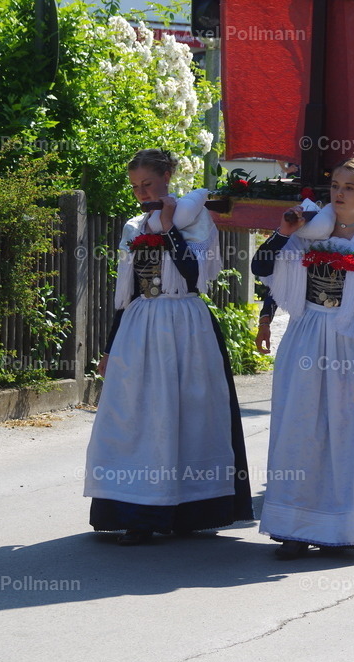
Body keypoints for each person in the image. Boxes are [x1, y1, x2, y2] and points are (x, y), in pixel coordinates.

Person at [84, 148, 253, 545]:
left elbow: (194, 275)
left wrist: (167, 228)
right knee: (135, 416)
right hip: (140, 326)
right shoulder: (132, 226)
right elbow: (125, 294)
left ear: (169, 176)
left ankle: (189, 509)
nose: (142, 193)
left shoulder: (198, 221)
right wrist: (109, 348)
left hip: (185, 325)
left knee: (188, 416)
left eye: (148, 184)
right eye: (136, 187)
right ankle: (135, 509)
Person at [251, 156, 354, 558]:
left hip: (347, 344)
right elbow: (261, 267)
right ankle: (292, 527)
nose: (339, 193)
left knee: (344, 433)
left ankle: (340, 525)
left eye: (349, 187)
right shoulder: (309, 233)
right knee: (298, 428)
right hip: (304, 337)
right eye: (335, 185)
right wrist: (284, 232)